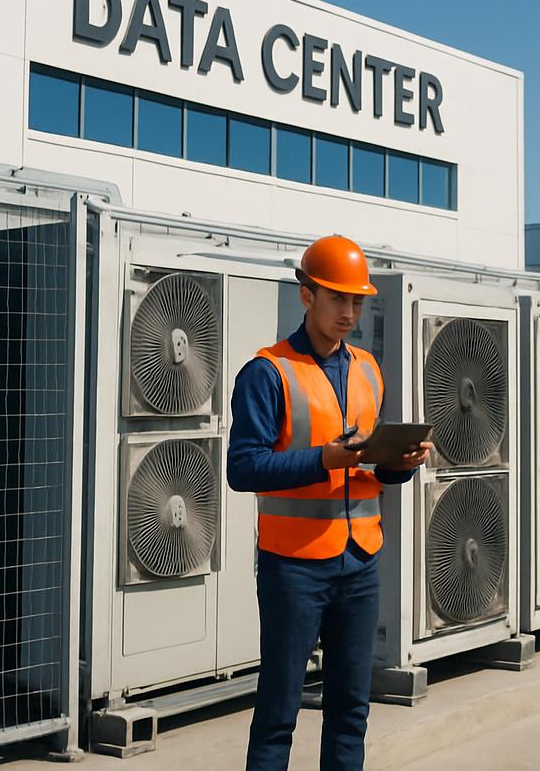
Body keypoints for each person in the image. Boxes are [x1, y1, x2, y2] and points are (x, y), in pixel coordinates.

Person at [226, 235, 433, 771]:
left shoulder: (368, 369)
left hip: (360, 562)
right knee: (278, 713)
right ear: (306, 295)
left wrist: (402, 463)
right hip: (293, 567)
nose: (349, 313)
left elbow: (370, 471)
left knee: (351, 711)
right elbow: (242, 469)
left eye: (356, 301)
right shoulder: (267, 372)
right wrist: (325, 459)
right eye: (338, 298)